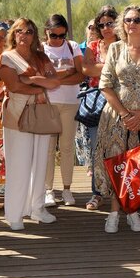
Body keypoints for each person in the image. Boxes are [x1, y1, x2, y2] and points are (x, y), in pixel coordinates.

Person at [94, 6, 140, 233]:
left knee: (138, 165)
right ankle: (115, 213)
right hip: (117, 116)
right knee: (119, 163)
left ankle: (132, 210)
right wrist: (126, 114)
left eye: (137, 19)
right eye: (127, 20)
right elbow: (104, 85)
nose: (131, 23)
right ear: (122, 24)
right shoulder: (115, 49)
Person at [0, 18, 61, 230]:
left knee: (41, 161)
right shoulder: (7, 57)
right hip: (18, 113)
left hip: (40, 111)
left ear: (34, 35)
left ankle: (37, 208)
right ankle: (15, 214)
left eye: (29, 31)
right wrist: (39, 85)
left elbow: (55, 82)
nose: (24, 35)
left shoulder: (40, 56)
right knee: (19, 164)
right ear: (13, 34)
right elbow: (14, 86)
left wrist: (32, 80)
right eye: (19, 31)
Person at [41, 14, 85, 207]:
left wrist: (55, 79)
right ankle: (48, 190)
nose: (58, 39)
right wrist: (67, 72)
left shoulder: (72, 46)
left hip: (70, 102)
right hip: (48, 104)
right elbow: (41, 76)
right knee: (48, 149)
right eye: (54, 35)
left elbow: (80, 75)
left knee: (67, 147)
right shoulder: (40, 49)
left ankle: (67, 189)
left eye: (61, 35)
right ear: (46, 32)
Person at [82, 6, 119, 211]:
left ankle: (119, 190)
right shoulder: (93, 45)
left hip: (120, 102)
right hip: (97, 101)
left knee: (119, 149)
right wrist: (111, 66)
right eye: (101, 24)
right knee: (97, 148)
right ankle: (97, 192)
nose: (106, 28)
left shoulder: (124, 45)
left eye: (110, 23)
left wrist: (101, 67)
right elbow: (86, 69)